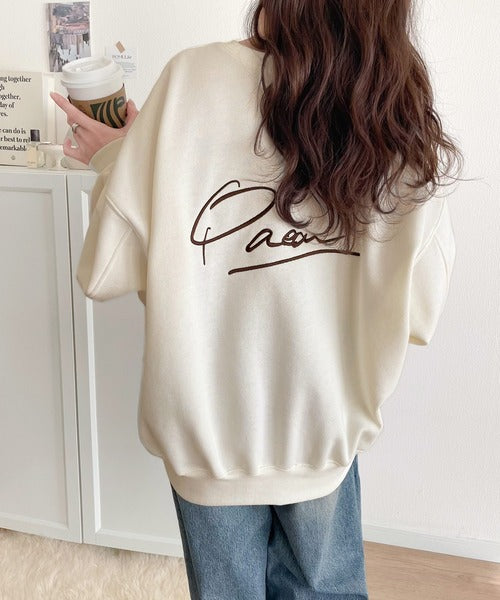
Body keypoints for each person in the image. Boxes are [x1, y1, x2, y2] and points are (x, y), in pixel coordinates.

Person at [50, 1, 463, 598]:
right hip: (323, 429)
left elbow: (105, 270)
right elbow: (421, 311)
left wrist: (122, 156)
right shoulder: (390, 106)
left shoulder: (190, 81)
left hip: (207, 440)